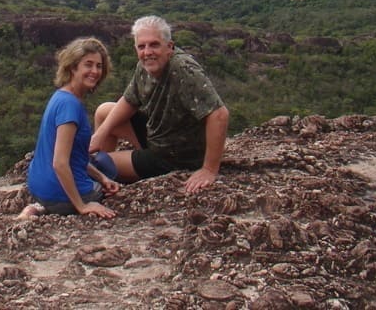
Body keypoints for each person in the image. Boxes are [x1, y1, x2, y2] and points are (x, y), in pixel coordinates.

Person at [89, 15, 229, 194]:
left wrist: (209, 169)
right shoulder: (145, 64)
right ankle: (107, 177)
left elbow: (219, 114)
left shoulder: (183, 69)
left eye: (154, 44)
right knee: (104, 111)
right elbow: (130, 100)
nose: (147, 52)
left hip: (173, 155)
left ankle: (104, 175)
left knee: (97, 164)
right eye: (142, 46)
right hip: (157, 134)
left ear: (169, 47)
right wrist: (100, 134)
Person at [18, 37, 120, 219]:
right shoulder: (70, 106)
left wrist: (101, 178)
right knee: (108, 165)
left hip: (39, 189)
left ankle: (40, 207)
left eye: (99, 66)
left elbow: (73, 157)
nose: (95, 71)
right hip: (60, 194)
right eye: (88, 65)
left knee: (102, 172)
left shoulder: (60, 96)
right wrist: (82, 206)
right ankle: (54, 207)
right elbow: (60, 162)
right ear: (73, 67)